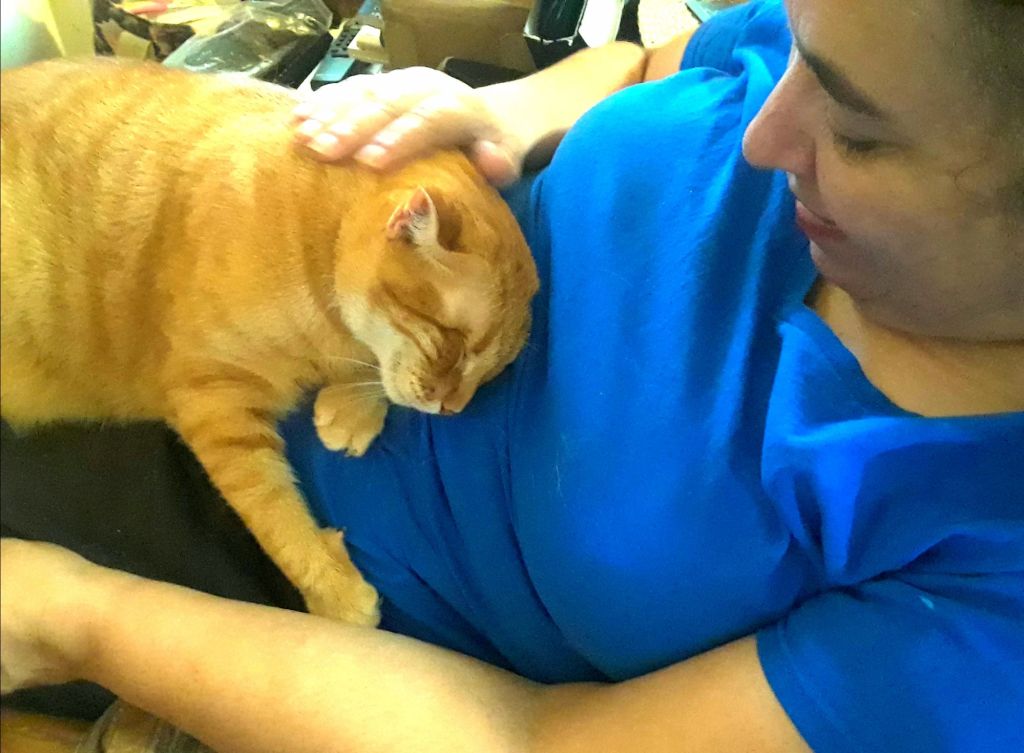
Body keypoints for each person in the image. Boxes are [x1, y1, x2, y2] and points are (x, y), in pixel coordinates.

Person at [2, 1, 1022, 751]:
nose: (763, 138)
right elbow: (634, 62)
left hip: (259, 610)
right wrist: (492, 113)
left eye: (858, 132)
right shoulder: (878, 32)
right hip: (264, 304)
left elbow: (536, 742)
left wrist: (79, 619)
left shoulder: (987, 596)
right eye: (796, 52)